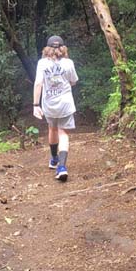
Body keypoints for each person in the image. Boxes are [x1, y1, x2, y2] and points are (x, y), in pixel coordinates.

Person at [33, 35, 78, 182]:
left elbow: (38, 83)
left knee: (52, 129)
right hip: (65, 103)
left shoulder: (42, 63)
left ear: (47, 48)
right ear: (63, 48)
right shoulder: (68, 63)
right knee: (63, 132)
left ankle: (54, 159)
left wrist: (35, 105)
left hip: (49, 104)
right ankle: (62, 167)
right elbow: (73, 81)